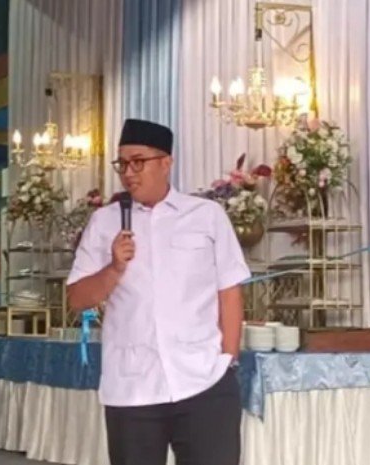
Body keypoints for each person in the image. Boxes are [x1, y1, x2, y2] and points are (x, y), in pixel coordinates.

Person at [66, 118, 251, 465]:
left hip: (203, 381)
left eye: (138, 162)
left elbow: (229, 291)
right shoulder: (104, 222)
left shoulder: (206, 216)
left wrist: (228, 359)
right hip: (133, 388)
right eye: (122, 164)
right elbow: (77, 299)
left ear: (166, 163)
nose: (128, 173)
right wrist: (114, 268)